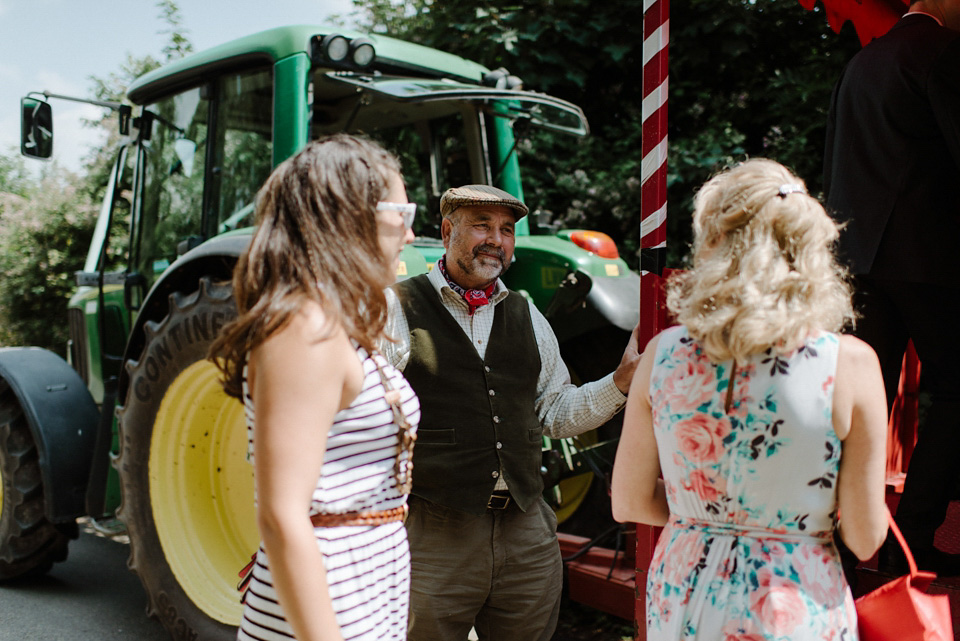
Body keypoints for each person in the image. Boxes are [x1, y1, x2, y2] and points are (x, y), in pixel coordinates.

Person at [611, 159, 889, 640]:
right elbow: (865, 538)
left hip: (684, 591)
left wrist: (704, 517)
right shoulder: (850, 364)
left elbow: (629, 500)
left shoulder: (662, 354)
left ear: (713, 245)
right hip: (791, 600)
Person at [380, 184, 640, 641]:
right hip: (435, 531)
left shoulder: (528, 314)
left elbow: (556, 412)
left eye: (506, 230)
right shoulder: (394, 309)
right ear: (446, 230)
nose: (496, 240)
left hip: (526, 532)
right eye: (481, 225)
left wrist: (620, 381)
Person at [209, 134, 420, 641]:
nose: (411, 235)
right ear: (351, 214)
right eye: (403, 213)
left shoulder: (337, 323)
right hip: (326, 609)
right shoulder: (304, 328)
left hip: (360, 593)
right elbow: (282, 517)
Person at [823, 0, 960, 575]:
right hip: (928, 259)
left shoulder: (864, 63)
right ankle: (911, 541)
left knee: (856, 406)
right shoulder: (941, 53)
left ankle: (839, 548)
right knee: (958, 394)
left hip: (859, 260)